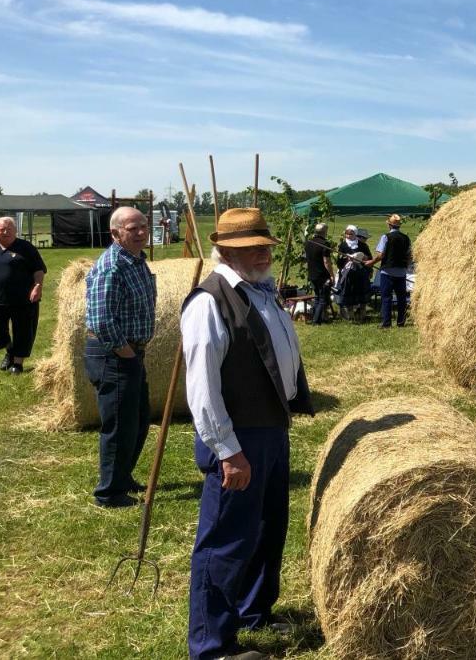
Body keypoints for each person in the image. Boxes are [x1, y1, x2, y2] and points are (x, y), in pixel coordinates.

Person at [181, 207, 314, 660]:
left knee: (266, 527)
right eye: (250, 248)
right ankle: (211, 645)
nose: (261, 254)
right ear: (225, 251)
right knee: (225, 540)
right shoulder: (209, 301)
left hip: (271, 427)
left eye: (264, 246)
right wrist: (227, 452)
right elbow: (202, 388)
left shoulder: (261, 292)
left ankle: (254, 610)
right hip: (238, 437)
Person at [83, 207, 156, 508]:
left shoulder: (137, 261)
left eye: (143, 226)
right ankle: (109, 493)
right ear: (115, 233)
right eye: (132, 228)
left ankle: (122, 477)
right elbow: (101, 320)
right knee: (119, 425)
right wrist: (126, 354)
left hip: (130, 353)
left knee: (138, 419)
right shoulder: (111, 265)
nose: (140, 232)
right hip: (114, 354)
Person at [0, 217, 47, 375]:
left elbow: (39, 270)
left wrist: (38, 286)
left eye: (10, 228)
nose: (6, 231)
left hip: (23, 299)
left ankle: (17, 364)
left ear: (16, 231)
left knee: (23, 331)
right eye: (2, 229)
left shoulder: (26, 248)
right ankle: (10, 349)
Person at [372, 214, 412, 328]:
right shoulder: (406, 238)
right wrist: (406, 268)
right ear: (399, 226)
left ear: (389, 225)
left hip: (387, 272)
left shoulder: (385, 237)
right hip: (401, 273)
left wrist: (371, 263)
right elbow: (409, 256)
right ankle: (401, 322)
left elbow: (380, 255)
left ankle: (386, 323)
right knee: (401, 299)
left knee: (386, 298)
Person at [303, 223, 332, 325]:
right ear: (325, 232)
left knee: (317, 297)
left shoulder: (308, 242)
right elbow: (326, 262)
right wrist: (331, 275)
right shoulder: (324, 244)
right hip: (322, 274)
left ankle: (314, 318)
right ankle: (316, 321)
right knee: (323, 299)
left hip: (312, 273)